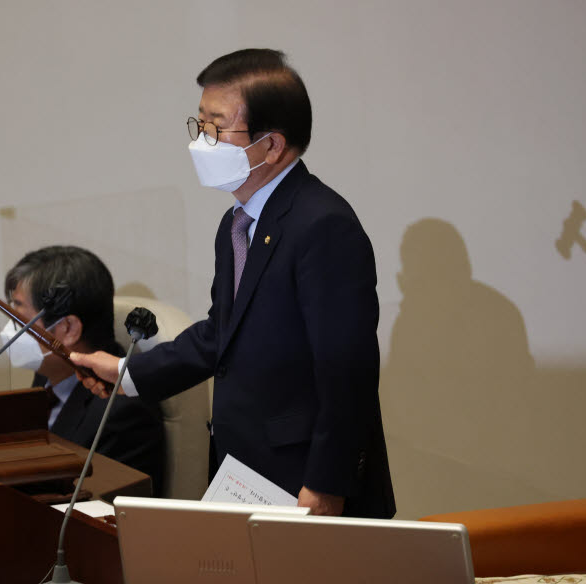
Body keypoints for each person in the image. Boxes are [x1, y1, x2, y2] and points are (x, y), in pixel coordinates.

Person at [72, 49, 395, 517]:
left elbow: (348, 374)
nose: (202, 141)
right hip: (244, 470)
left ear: (271, 145)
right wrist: (128, 374)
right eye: (199, 123)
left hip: (306, 480)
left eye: (217, 128)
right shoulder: (237, 223)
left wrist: (326, 485)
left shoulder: (322, 226)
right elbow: (222, 331)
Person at [2, 246, 166, 495]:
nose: (9, 328)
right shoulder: (49, 374)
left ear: (67, 329)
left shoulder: (121, 411)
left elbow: (96, 519)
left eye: (18, 314)